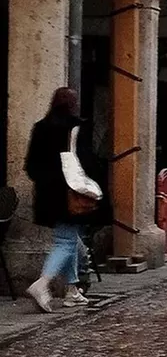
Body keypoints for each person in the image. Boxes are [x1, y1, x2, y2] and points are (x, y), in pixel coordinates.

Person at [24, 87, 91, 312]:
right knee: (66, 242)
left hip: (47, 195)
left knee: (68, 240)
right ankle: (42, 284)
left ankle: (72, 290)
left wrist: (47, 182)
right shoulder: (75, 128)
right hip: (71, 194)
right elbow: (86, 162)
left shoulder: (40, 127)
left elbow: (30, 165)